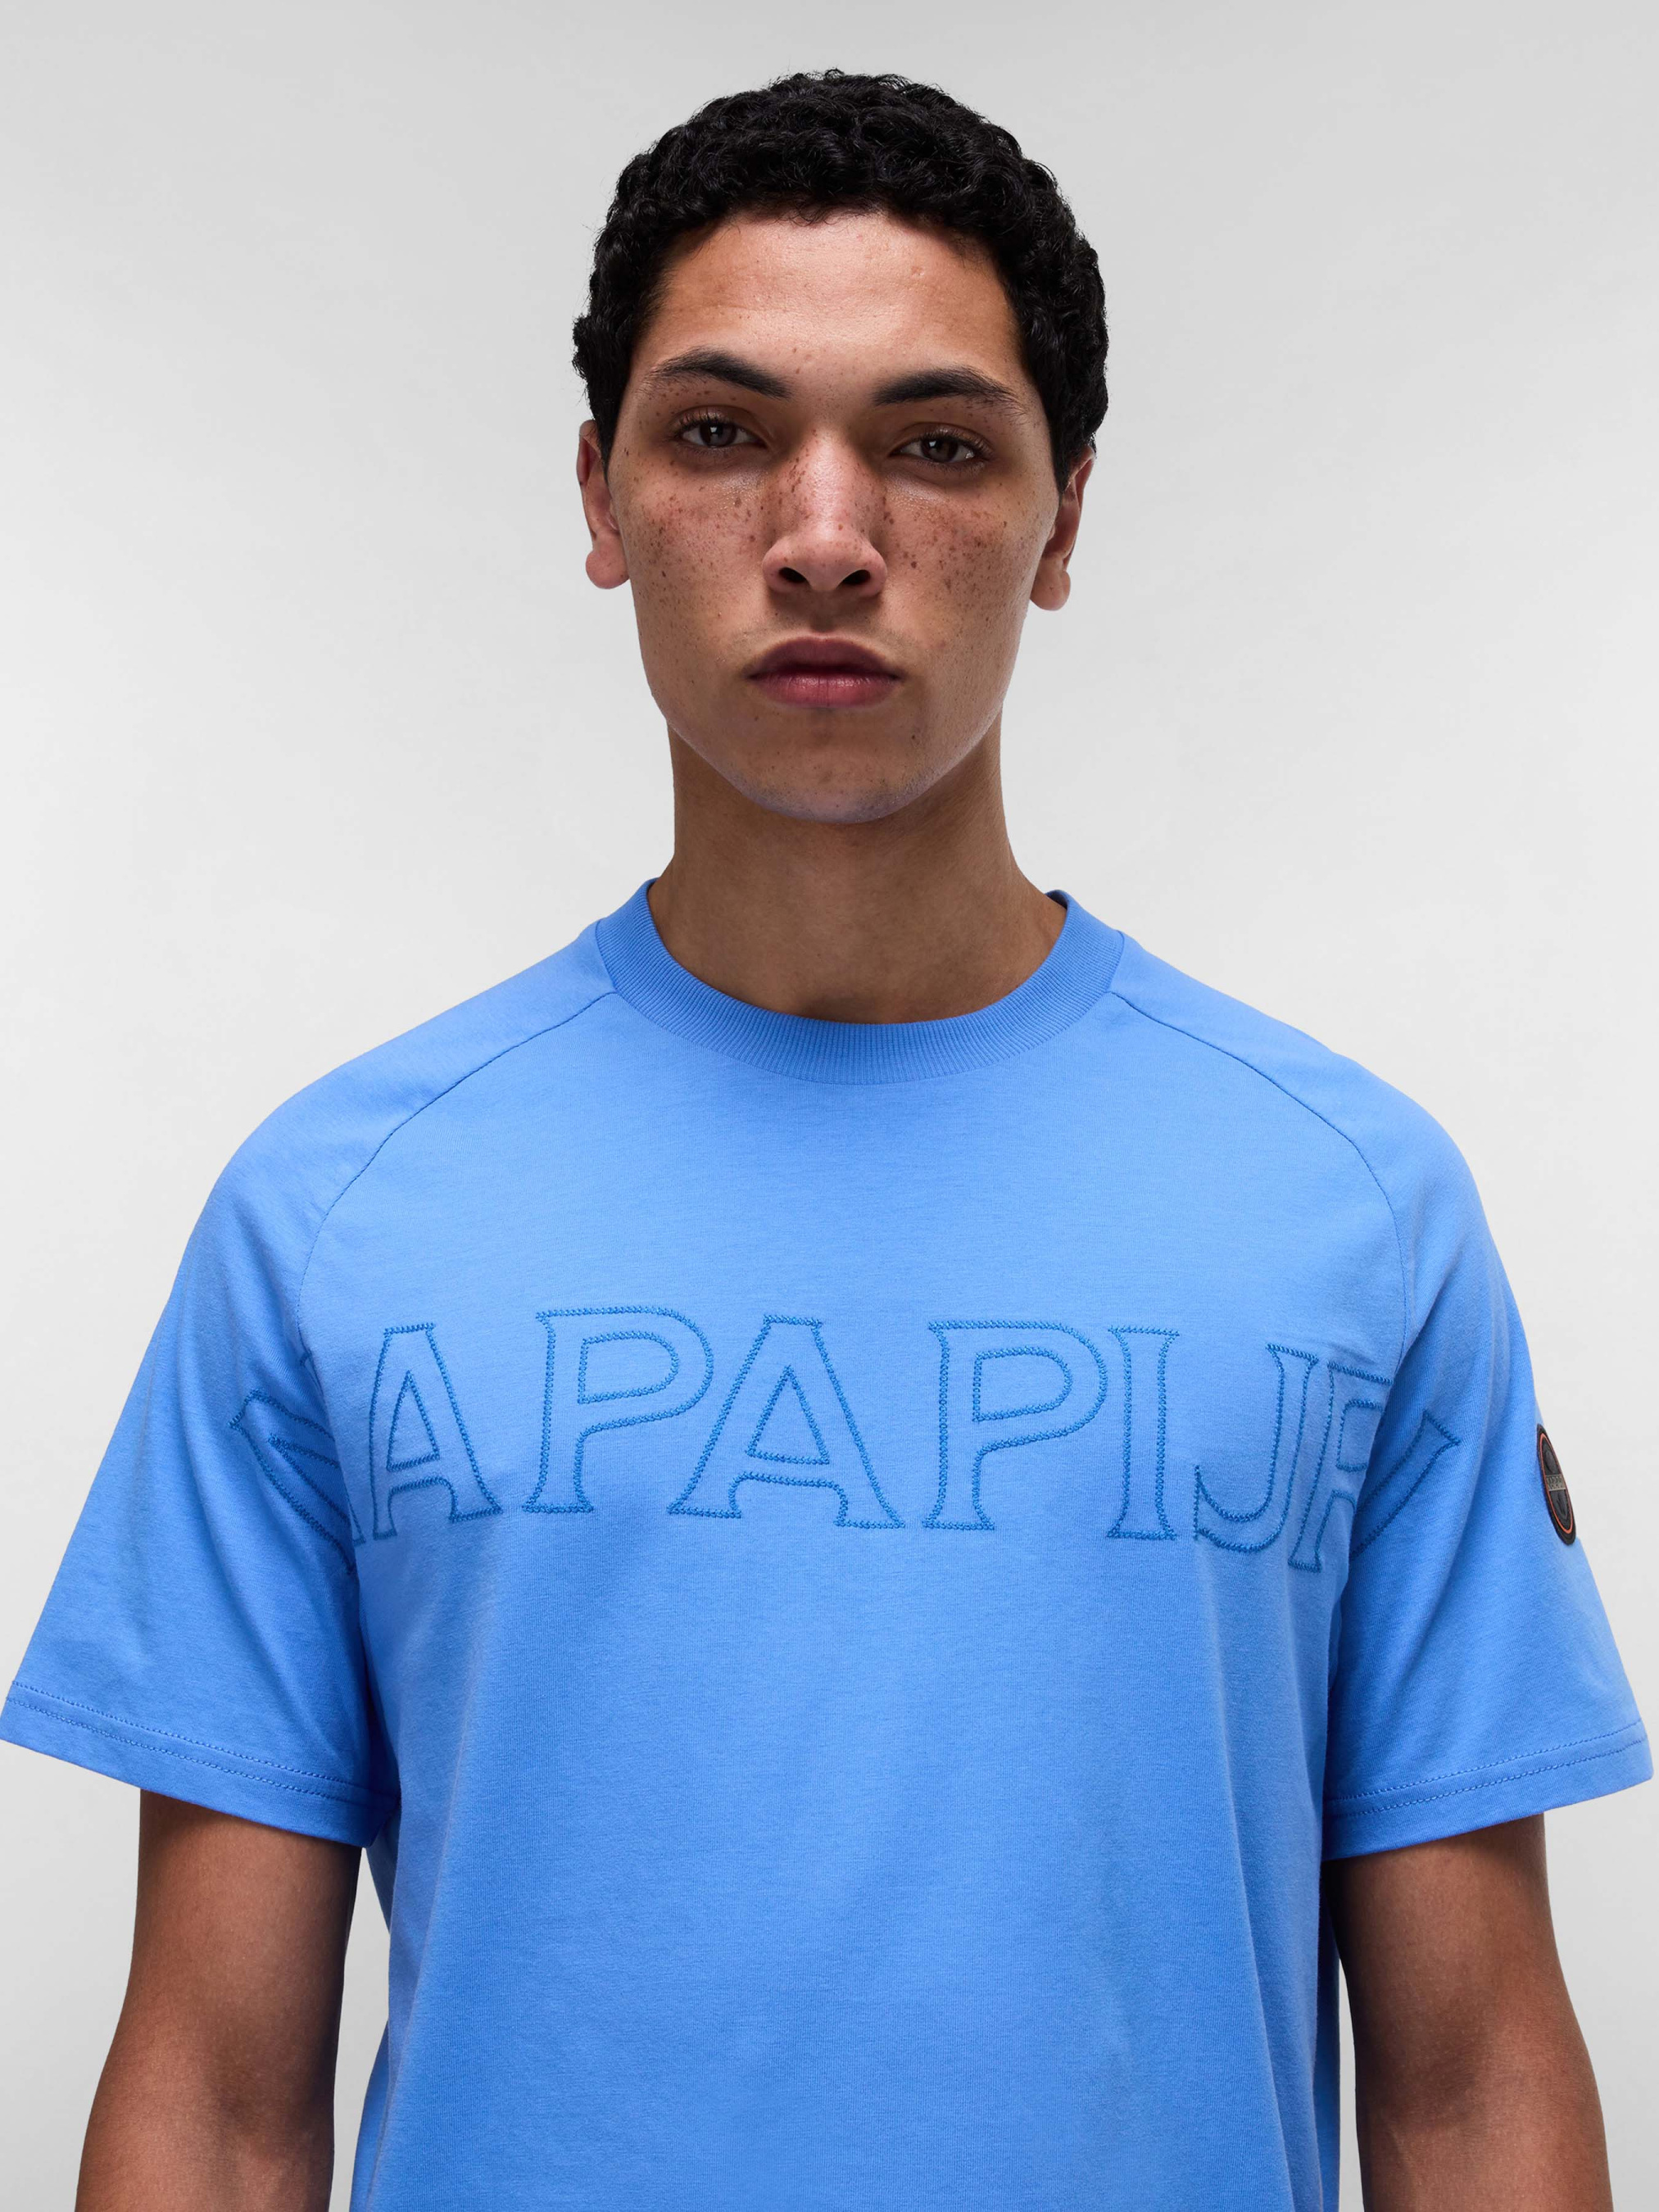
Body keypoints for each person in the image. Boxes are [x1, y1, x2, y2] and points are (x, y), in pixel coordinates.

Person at [2, 69, 1647, 2212]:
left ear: (1065, 518)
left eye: (936, 444)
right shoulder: (336, 1215)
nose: (824, 532)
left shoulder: (1349, 1211)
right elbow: (219, 2113)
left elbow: (1471, 2089)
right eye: (720, 431)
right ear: (600, 495)